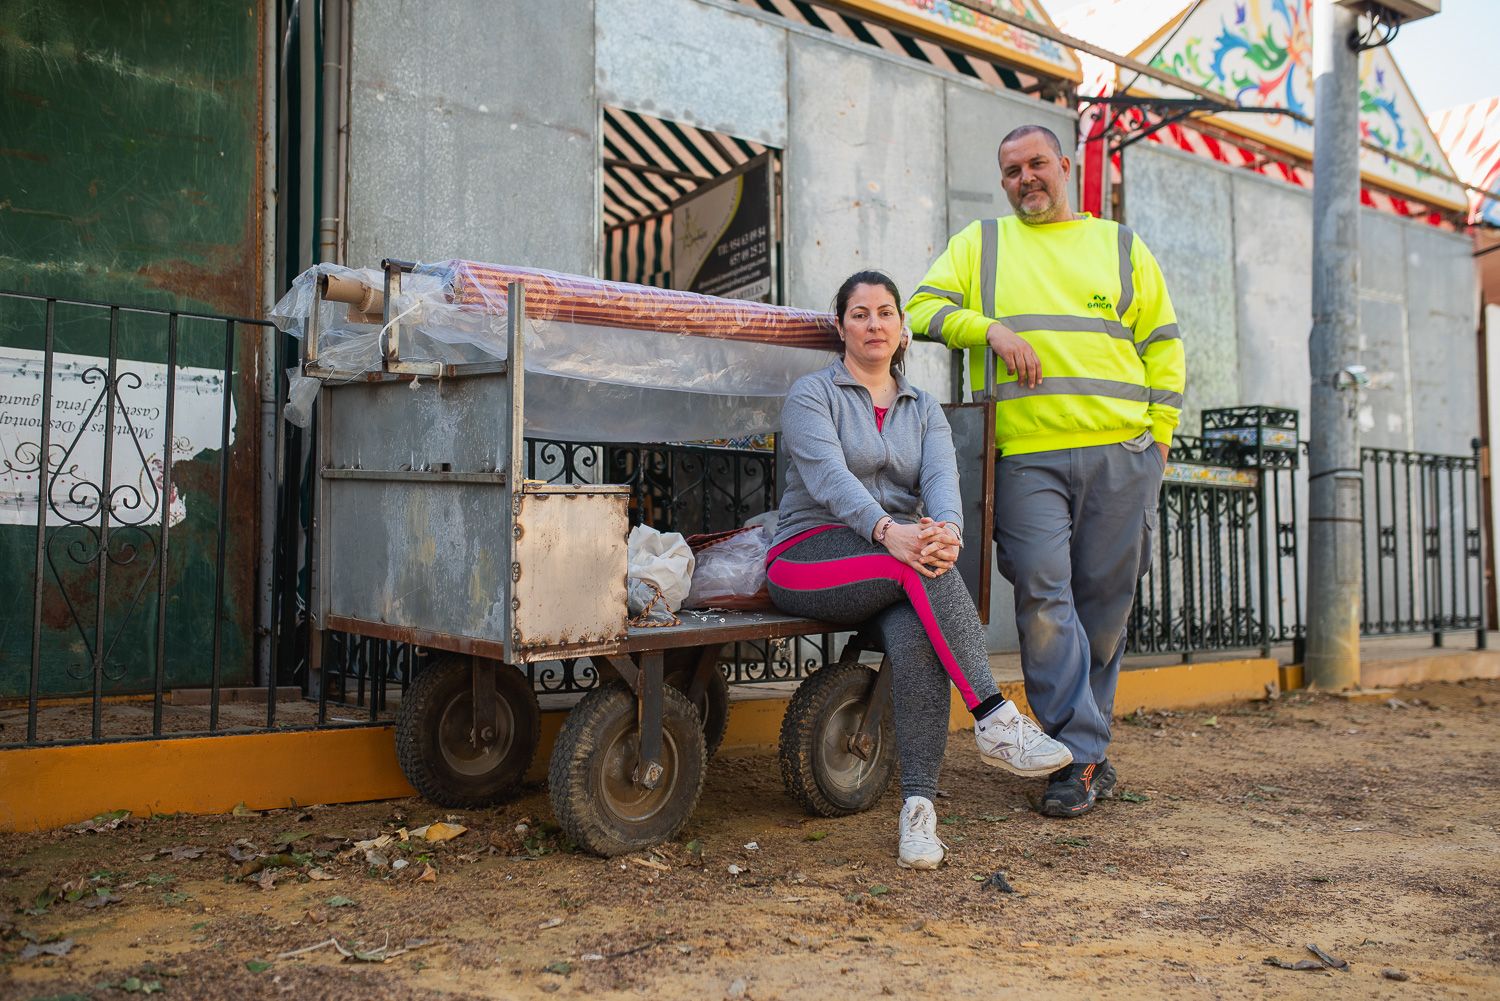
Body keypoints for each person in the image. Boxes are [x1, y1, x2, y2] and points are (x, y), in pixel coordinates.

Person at [906, 125, 1186, 819]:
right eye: (1010, 170)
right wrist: (991, 329)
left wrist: (1160, 442)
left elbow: (1163, 346)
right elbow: (920, 308)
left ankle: (1080, 755)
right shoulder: (982, 244)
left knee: (1104, 608)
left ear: (1066, 166)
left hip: (1123, 455)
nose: (1024, 178)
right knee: (1040, 593)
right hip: (1026, 458)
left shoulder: (1119, 246)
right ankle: (1082, 752)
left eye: (1036, 164)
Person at [767, 269, 1072, 870]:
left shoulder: (923, 406)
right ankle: (993, 716)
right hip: (808, 556)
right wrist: (891, 532)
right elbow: (829, 479)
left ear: (903, 329)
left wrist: (947, 532)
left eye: (885, 313)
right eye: (860, 313)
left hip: (898, 560)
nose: (873, 324)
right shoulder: (812, 395)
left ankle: (919, 810)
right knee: (916, 568)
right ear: (841, 326)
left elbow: (940, 478)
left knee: (914, 638)